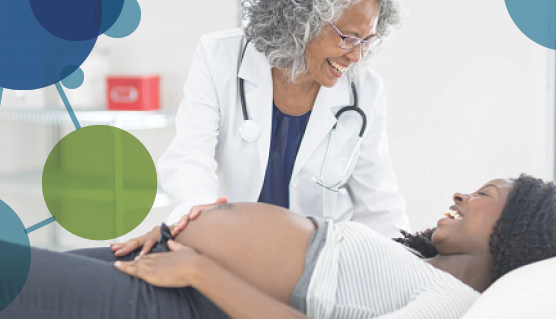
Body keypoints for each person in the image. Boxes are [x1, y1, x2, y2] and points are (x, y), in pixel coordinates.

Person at [0, 175, 556, 319]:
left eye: (483, 194)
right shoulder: (422, 269)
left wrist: (200, 266)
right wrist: (187, 231)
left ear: (516, 229)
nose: (460, 194)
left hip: (177, 304)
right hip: (163, 264)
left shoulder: (448, 304)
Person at [154, 0, 410, 246]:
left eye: (367, 41)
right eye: (349, 37)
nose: (357, 56)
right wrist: (200, 212)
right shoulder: (220, 56)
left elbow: (378, 204)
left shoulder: (365, 89)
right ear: (303, 19)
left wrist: (409, 267)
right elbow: (189, 157)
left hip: (319, 263)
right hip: (231, 244)